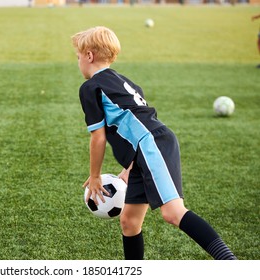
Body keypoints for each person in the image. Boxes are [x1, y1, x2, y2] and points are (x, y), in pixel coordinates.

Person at [71, 26, 237, 260]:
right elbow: (135, 120)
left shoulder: (91, 87)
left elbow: (98, 137)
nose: (77, 62)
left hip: (152, 144)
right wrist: (131, 166)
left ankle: (231, 263)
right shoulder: (123, 81)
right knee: (129, 221)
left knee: (173, 212)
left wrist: (95, 176)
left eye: (77, 57)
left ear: (89, 55)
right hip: (147, 147)